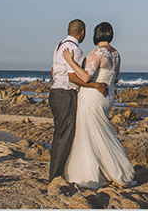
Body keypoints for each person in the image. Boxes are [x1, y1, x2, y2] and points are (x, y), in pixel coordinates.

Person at [61, 21, 135, 189]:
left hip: (93, 96)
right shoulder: (116, 54)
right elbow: (115, 79)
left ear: (96, 34)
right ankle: (107, 169)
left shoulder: (98, 52)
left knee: (88, 132)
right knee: (99, 131)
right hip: (108, 96)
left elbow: (86, 77)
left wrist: (69, 61)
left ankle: (92, 173)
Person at [49, 19, 108, 181]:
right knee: (65, 137)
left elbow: (53, 70)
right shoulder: (74, 49)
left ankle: (55, 173)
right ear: (82, 31)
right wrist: (97, 85)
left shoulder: (59, 46)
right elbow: (73, 77)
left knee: (60, 134)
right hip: (65, 94)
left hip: (55, 92)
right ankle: (55, 177)